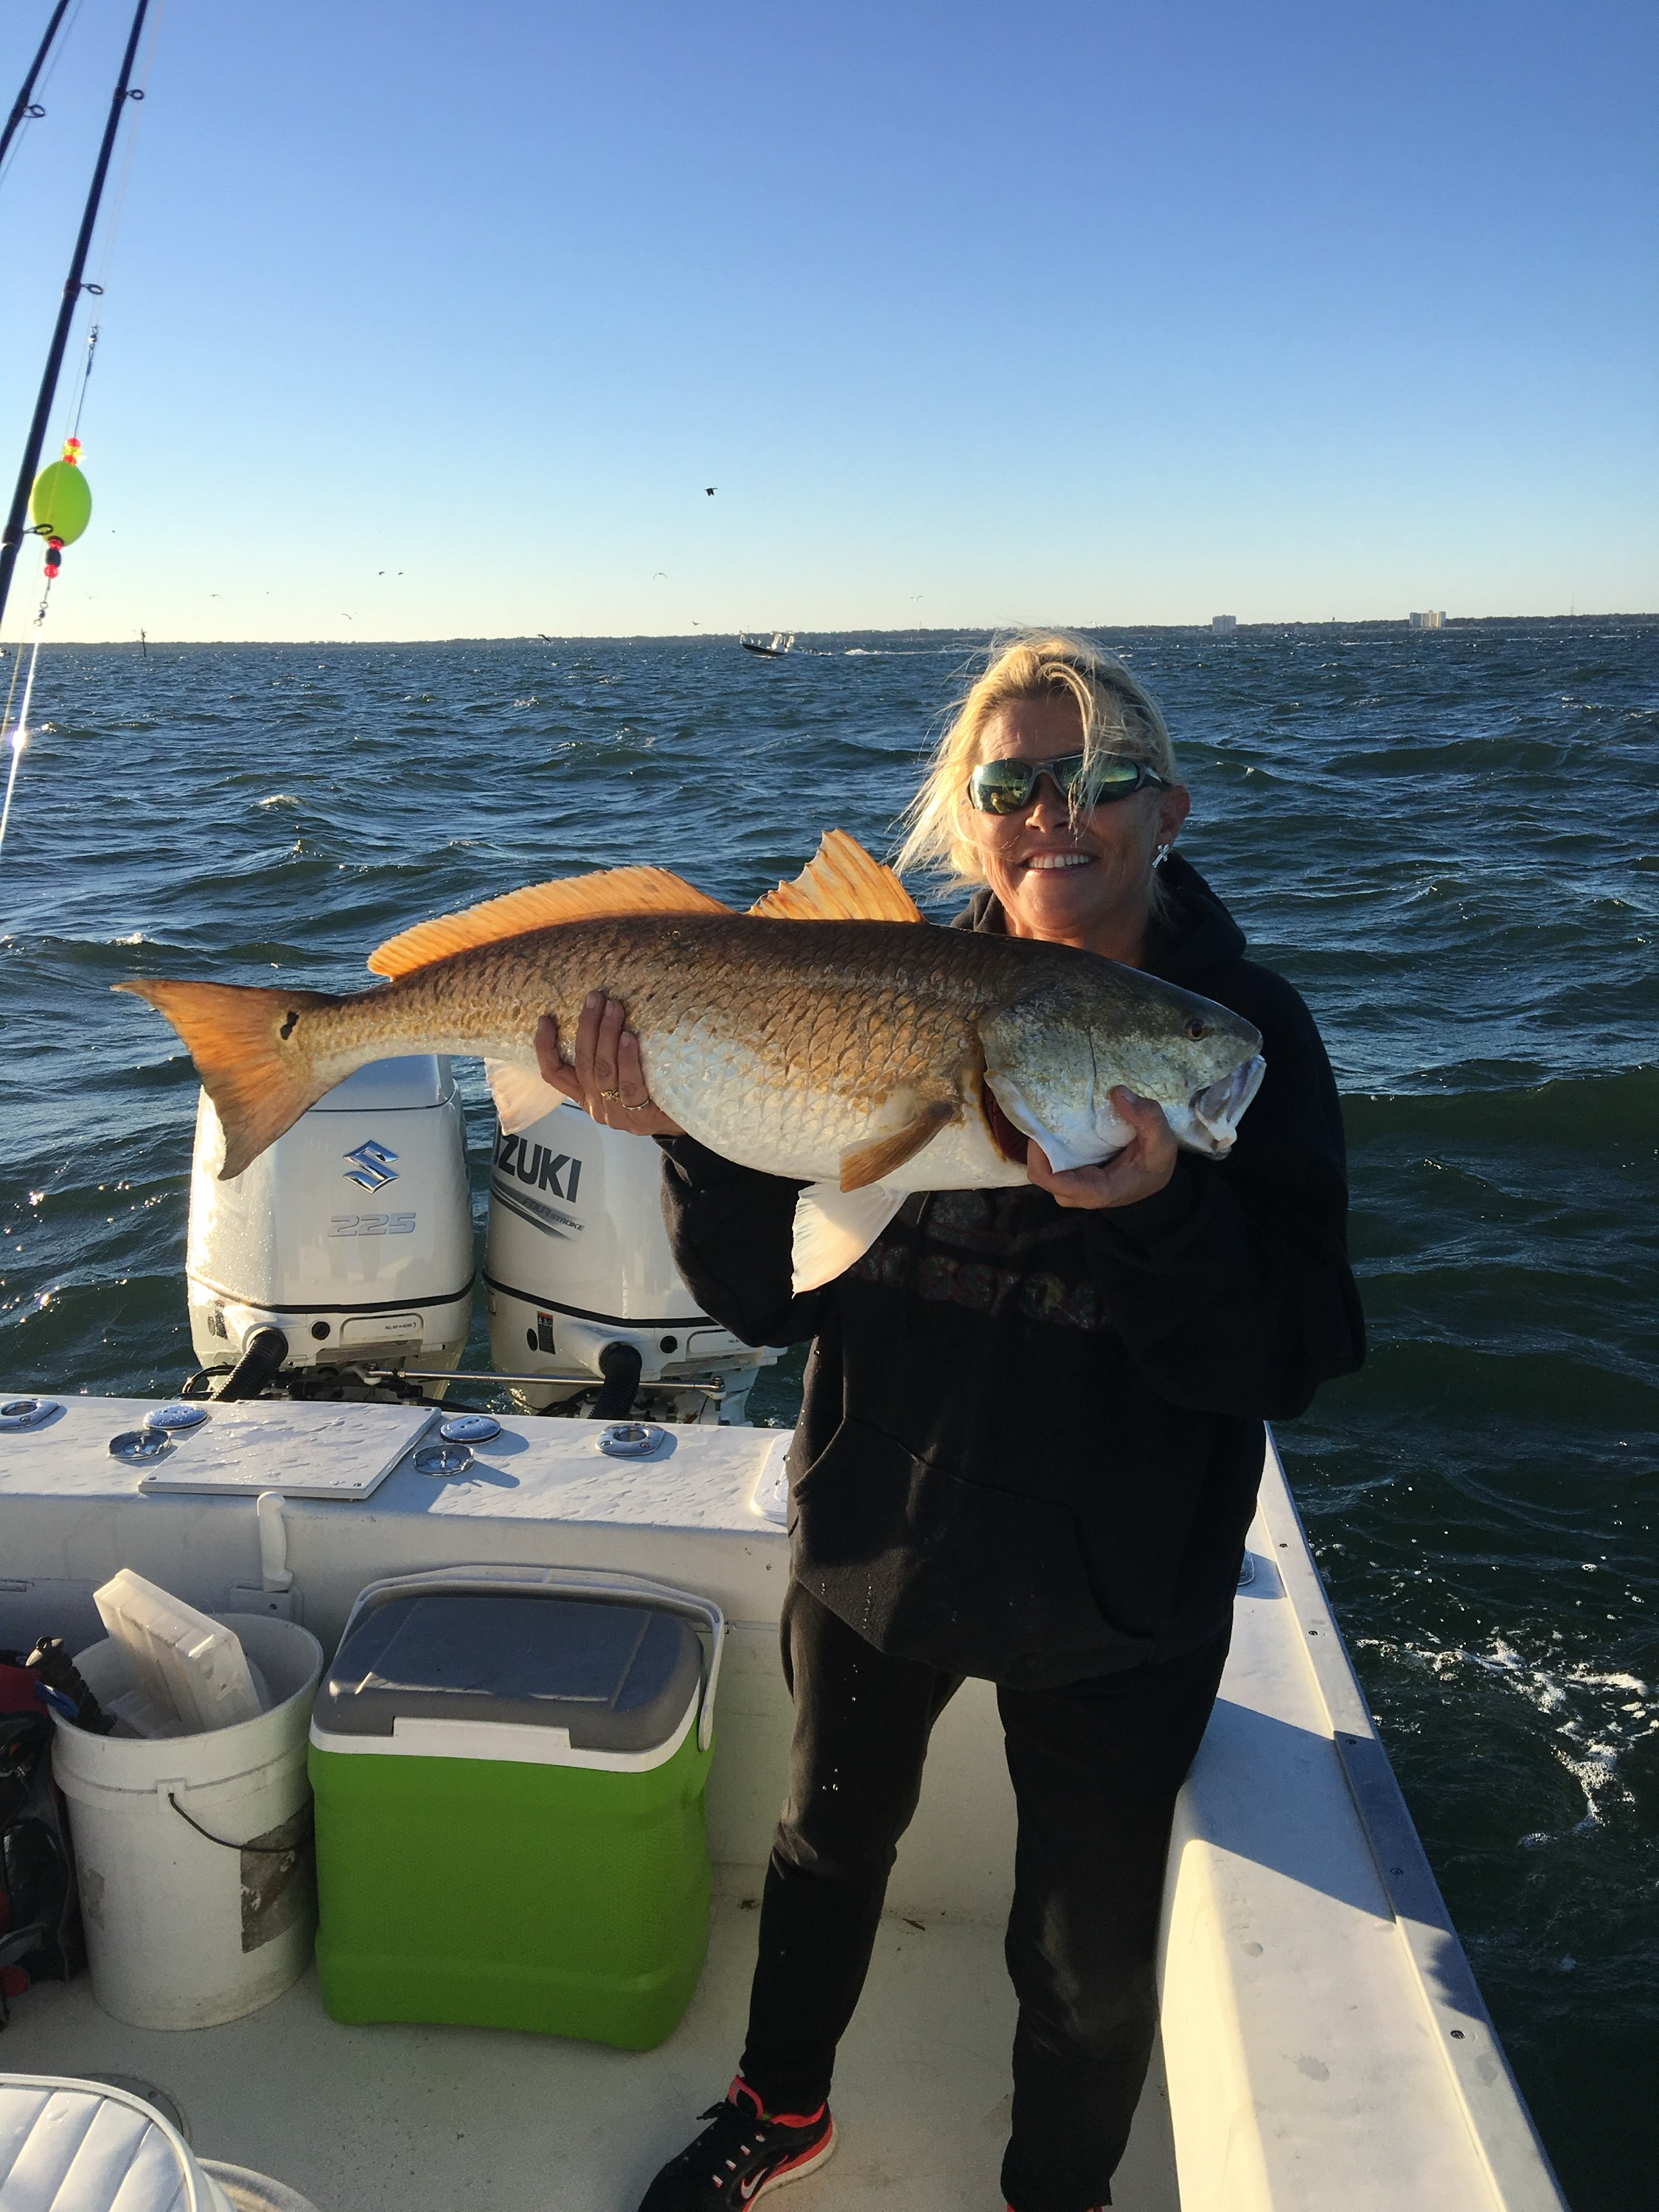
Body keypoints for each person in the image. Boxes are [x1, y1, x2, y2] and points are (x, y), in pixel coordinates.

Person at [534, 633, 1365, 2212]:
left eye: (1100, 775)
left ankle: (1055, 2195)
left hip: (1123, 1585)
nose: (1059, 811)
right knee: (819, 1854)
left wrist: (1161, 1215)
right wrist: (694, 1135)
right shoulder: (866, 988)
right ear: (967, 818)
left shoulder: (1235, 1041)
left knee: (1087, 1957)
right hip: (880, 1529)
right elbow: (771, 1305)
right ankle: (781, 2109)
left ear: (1167, 807)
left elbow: (1301, 1346)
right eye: (1014, 782)